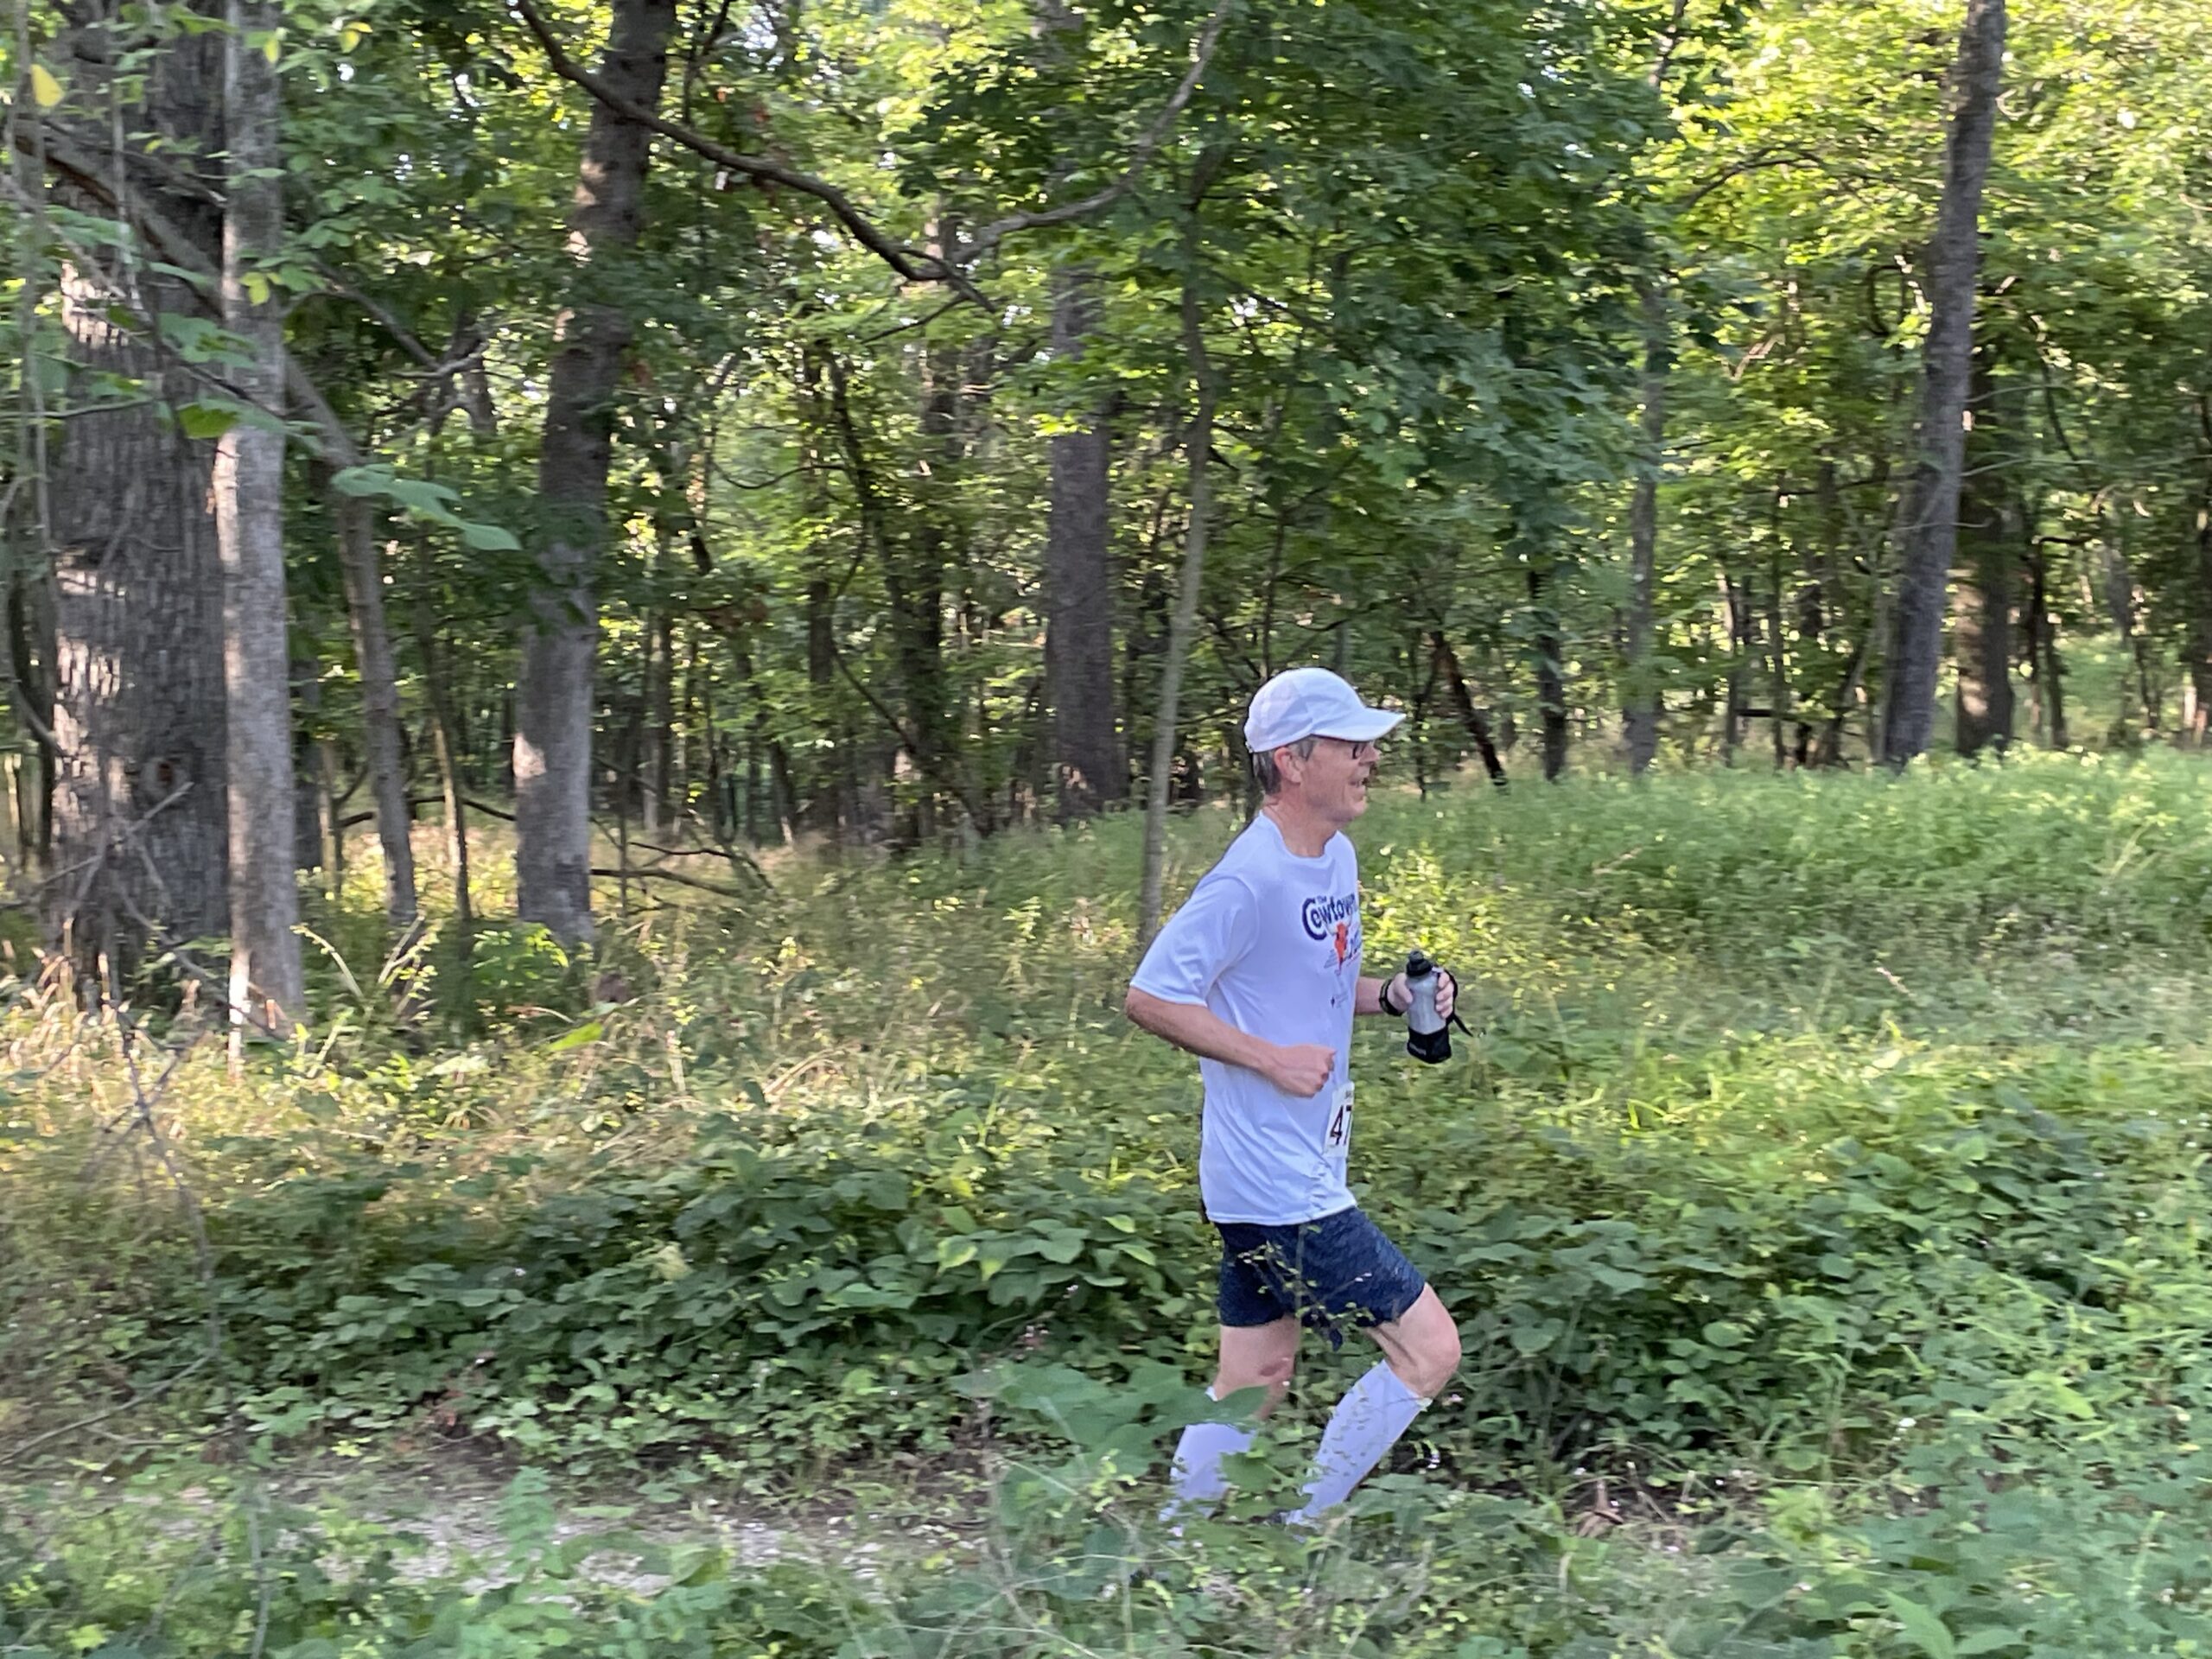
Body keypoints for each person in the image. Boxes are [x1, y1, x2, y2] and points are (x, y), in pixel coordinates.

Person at [1125, 665, 1462, 1526]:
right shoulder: (1247, 880)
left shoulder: (1333, 858)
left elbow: (1318, 984)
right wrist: (1269, 1060)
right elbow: (1152, 997)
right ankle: (1302, 1533)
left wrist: (1394, 996)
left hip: (1296, 1163)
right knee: (1429, 1350)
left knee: (1256, 1377)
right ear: (1292, 761)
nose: (1371, 759)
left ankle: (1174, 1546)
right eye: (1353, 746)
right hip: (1275, 1180)